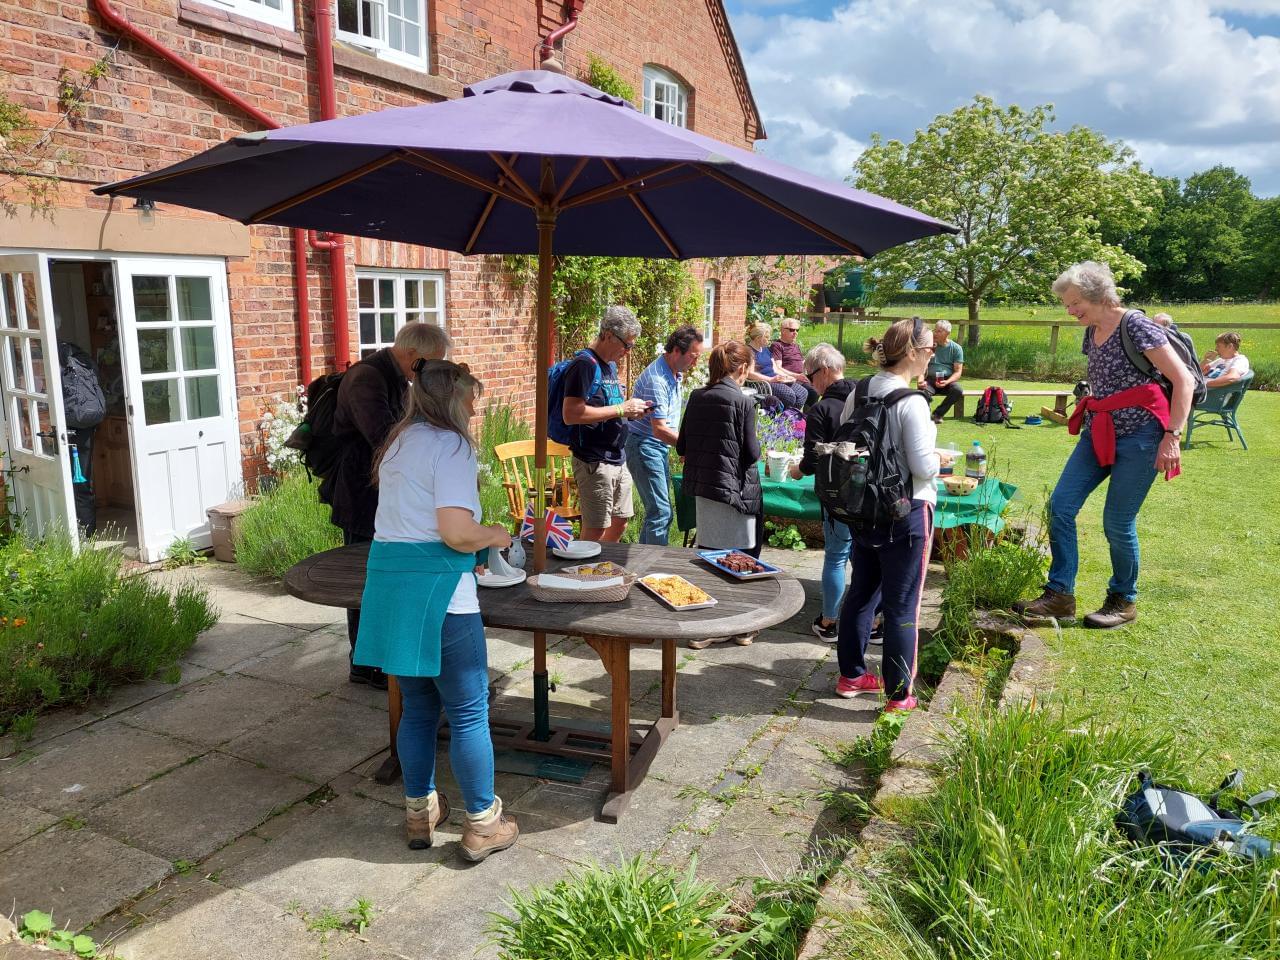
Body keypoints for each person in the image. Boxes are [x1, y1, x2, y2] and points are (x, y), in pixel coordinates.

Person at [354, 359, 519, 862]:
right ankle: (483, 822)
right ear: (452, 399)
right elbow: (454, 531)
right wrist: (496, 535)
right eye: (471, 398)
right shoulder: (452, 446)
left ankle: (419, 810)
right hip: (442, 593)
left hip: (393, 589)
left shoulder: (397, 442)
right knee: (468, 711)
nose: (474, 409)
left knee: (419, 706)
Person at [1013, 261, 1192, 629]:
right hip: (1099, 431)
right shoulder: (1091, 331)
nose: (1070, 310)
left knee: (1117, 522)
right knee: (1060, 507)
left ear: (1098, 295)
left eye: (1074, 302)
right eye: (1066, 304)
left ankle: (1123, 600)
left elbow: (1183, 380)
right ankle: (1060, 595)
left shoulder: (1137, 326)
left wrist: (1172, 437)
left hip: (1142, 436)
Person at [323, 322, 452, 690]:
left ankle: (378, 658)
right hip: (362, 494)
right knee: (366, 579)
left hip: (380, 490)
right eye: (429, 363)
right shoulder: (367, 378)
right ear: (411, 354)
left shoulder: (394, 375)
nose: (430, 372)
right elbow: (384, 437)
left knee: (382, 576)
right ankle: (365, 663)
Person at [833, 318, 948, 712]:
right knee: (902, 604)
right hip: (907, 511)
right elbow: (923, 468)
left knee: (862, 591)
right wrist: (939, 456)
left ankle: (851, 675)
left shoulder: (860, 390)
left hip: (865, 509)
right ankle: (900, 695)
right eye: (930, 349)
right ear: (912, 352)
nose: (932, 356)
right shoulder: (912, 402)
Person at [676, 341, 762, 649]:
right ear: (742, 368)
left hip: (705, 488)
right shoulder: (743, 402)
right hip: (735, 490)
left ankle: (707, 625)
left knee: (710, 554)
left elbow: (682, 446)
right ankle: (738, 626)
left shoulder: (697, 397)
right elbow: (752, 453)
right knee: (741, 559)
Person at [561, 306, 650, 542]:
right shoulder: (584, 365)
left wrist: (631, 413)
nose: (628, 352)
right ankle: (586, 564)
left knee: (620, 522)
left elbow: (607, 408)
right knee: (596, 529)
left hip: (617, 457)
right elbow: (571, 413)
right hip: (594, 461)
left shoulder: (609, 366)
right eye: (627, 345)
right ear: (608, 335)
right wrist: (621, 409)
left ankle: (603, 562)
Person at [788, 343, 856, 641]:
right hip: (869, 490)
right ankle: (873, 620)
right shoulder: (865, 399)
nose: (810, 381)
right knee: (863, 557)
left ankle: (829, 622)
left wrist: (797, 470)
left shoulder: (822, 409)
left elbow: (814, 460)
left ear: (825, 371)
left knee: (837, 556)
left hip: (838, 495)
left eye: (811, 375)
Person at [625, 325, 704, 545]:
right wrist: (689, 448)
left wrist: (682, 446)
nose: (695, 363)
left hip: (654, 446)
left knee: (659, 512)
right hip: (644, 447)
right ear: (676, 351)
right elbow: (659, 429)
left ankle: (643, 561)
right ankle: (653, 564)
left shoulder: (673, 372)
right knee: (660, 513)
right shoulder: (657, 380)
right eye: (693, 356)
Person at [55, 336, 107, 536]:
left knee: (69, 480)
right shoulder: (83, 359)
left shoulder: (56, 361)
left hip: (68, 425)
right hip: (86, 426)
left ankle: (75, 533)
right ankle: (88, 532)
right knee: (82, 479)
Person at [745, 322, 807, 410]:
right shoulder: (749, 351)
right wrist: (771, 379)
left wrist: (787, 376)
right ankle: (782, 416)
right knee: (789, 396)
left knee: (802, 393)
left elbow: (776, 368)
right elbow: (750, 374)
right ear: (758, 338)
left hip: (775, 379)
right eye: (767, 337)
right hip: (763, 383)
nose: (769, 339)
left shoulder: (766, 350)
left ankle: (790, 415)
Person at [919, 319, 964, 423]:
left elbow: (958, 372)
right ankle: (924, 417)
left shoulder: (956, 348)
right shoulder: (929, 346)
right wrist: (920, 381)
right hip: (930, 380)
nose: (935, 333)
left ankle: (937, 415)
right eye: (935, 330)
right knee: (922, 392)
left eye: (939, 331)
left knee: (957, 390)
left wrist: (947, 382)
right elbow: (921, 367)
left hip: (947, 380)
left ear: (947, 333)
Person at [769, 317, 818, 408]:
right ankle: (793, 414)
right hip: (789, 379)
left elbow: (802, 362)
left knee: (816, 390)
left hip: (801, 377)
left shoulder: (796, 345)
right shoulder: (777, 346)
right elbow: (778, 368)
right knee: (811, 392)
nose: (795, 333)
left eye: (797, 330)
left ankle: (807, 415)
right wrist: (797, 376)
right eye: (792, 330)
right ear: (783, 331)